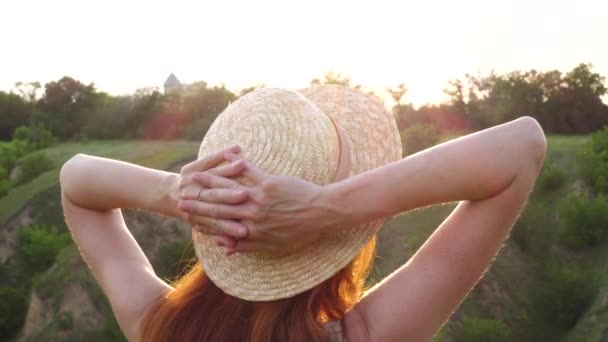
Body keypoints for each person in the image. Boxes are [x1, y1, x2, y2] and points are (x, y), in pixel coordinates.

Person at [60, 86, 546, 341]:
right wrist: (324, 207)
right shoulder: (367, 335)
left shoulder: (157, 325)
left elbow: (76, 180)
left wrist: (186, 195)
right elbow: (521, 146)